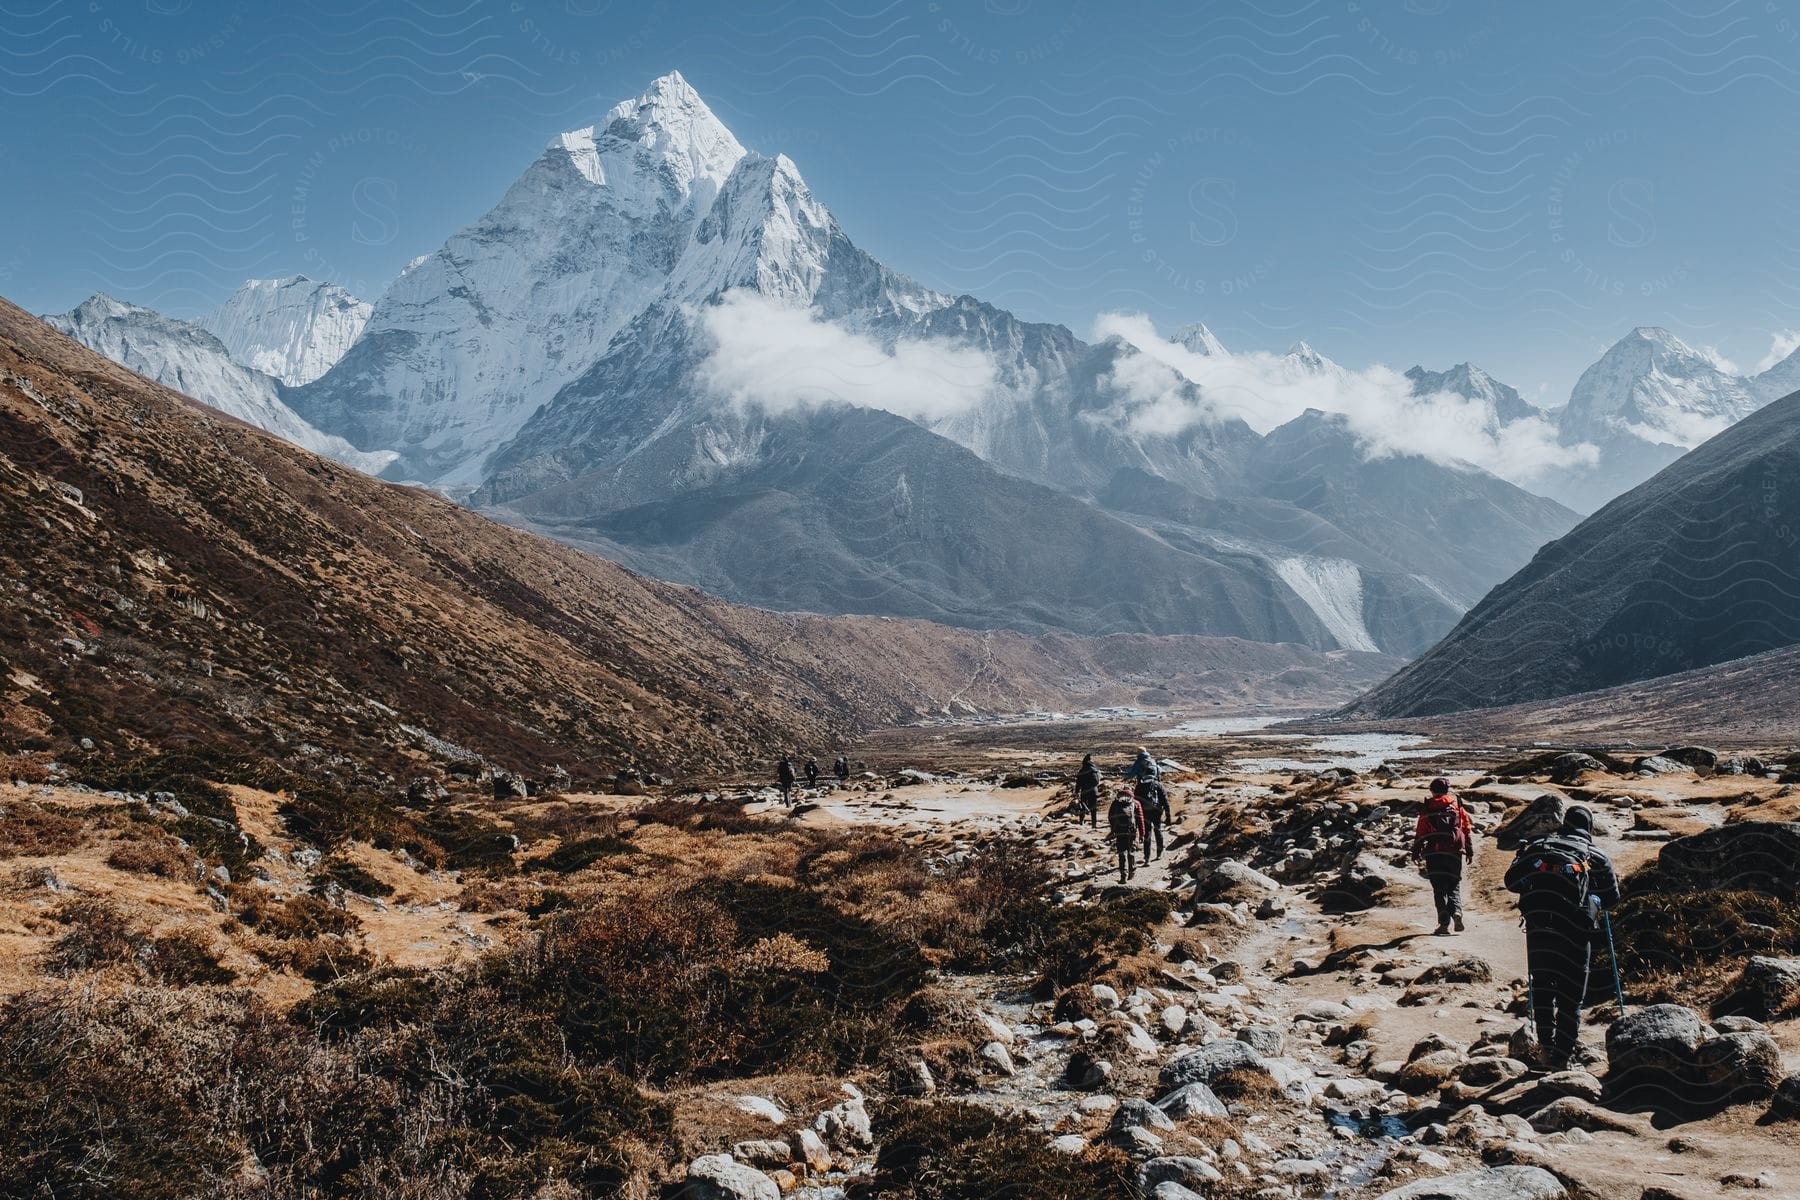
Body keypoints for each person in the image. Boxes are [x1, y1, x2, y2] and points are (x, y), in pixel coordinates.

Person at [1504, 805, 1620, 1070]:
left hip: (1539, 930)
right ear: (1589, 828)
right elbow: (1612, 900)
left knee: (1543, 991)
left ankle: (1545, 1049)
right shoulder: (1596, 856)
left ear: (1564, 824)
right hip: (1576, 935)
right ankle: (1563, 1056)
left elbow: (1511, 882)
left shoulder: (1538, 846)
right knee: (1571, 999)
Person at [1411, 777, 1474, 935]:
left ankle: (1444, 924)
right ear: (1447, 790)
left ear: (1432, 790)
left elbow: (1421, 833)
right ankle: (1457, 912)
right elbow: (1466, 829)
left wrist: (1416, 852)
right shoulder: (1457, 805)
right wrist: (1469, 850)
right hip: (1454, 853)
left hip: (1434, 853)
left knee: (1439, 890)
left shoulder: (1428, 807)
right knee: (1454, 885)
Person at [1106, 787, 1146, 884]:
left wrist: (1113, 829)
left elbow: (1110, 816)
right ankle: (1132, 871)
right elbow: (1140, 819)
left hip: (1120, 831)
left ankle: (1123, 875)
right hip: (1131, 831)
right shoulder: (1136, 803)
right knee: (1131, 851)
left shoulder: (1116, 803)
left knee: (1121, 853)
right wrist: (1142, 834)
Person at [1137, 776, 1170, 863]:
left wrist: (1136, 818)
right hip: (1156, 811)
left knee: (1147, 833)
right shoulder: (1158, 784)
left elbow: (1136, 801)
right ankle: (1159, 853)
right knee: (1157, 830)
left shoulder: (1140, 784)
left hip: (1144, 812)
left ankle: (1147, 857)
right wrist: (1168, 816)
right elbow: (1165, 801)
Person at [1074, 753, 1101, 827]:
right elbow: (1098, 781)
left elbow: (1078, 782)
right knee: (1093, 808)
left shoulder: (1082, 770)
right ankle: (1094, 824)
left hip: (1085, 791)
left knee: (1082, 806)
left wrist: (1076, 792)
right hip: (1094, 791)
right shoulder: (1095, 770)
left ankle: (1081, 822)